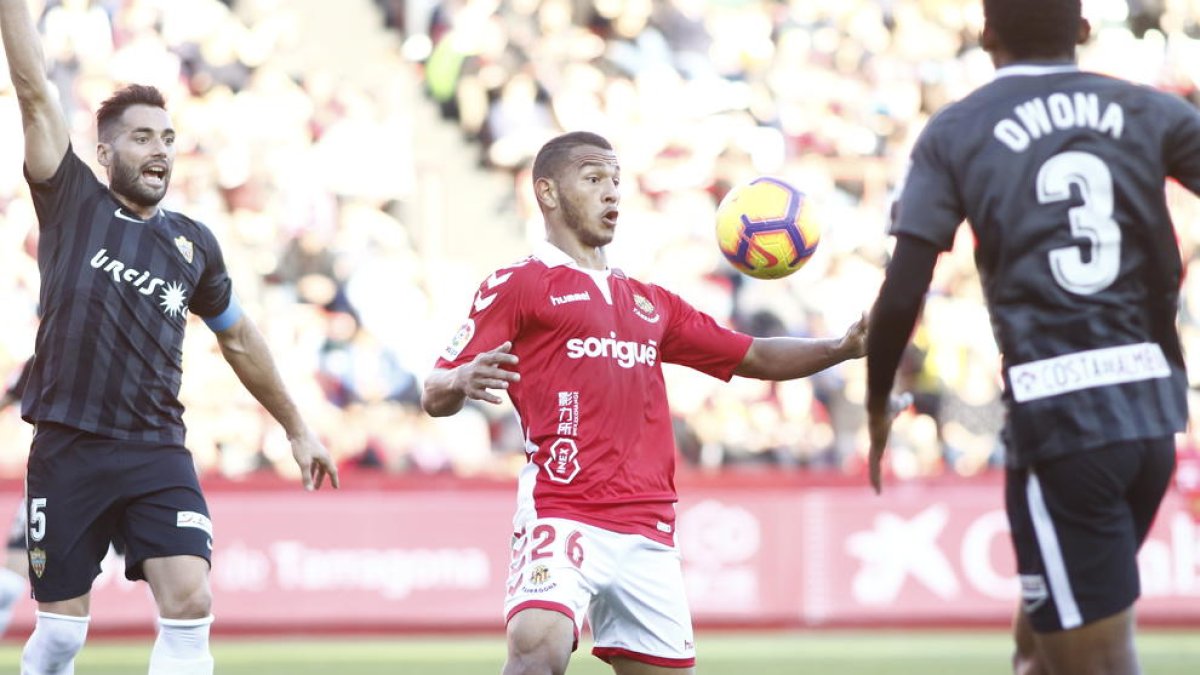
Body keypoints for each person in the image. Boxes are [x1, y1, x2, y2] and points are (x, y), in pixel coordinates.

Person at [422, 130, 867, 675]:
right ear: (548, 192)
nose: (611, 192)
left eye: (615, 180)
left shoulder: (650, 302)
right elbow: (434, 392)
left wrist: (841, 348)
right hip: (564, 510)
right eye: (593, 179)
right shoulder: (520, 284)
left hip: (648, 526)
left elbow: (753, 355)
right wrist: (461, 377)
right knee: (538, 650)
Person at [0, 1, 340, 673]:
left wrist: (297, 426)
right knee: (62, 635)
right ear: (104, 153)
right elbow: (35, 89)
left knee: (190, 601)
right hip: (68, 449)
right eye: (142, 137)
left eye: (167, 137)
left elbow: (239, 339)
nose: (160, 149)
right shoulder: (71, 201)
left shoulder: (194, 244)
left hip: (156, 448)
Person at [864, 1, 1200, 674]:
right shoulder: (1152, 110)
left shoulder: (958, 130)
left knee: (1096, 662)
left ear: (986, 33)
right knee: (1038, 649)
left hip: (1063, 420)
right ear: (1083, 29)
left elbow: (902, 292)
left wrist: (876, 406)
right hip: (1150, 417)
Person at [0, 359, 33, 637]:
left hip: (130, 478)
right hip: (55, 481)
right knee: (8, 586)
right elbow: (8, 398)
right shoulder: (43, 359)